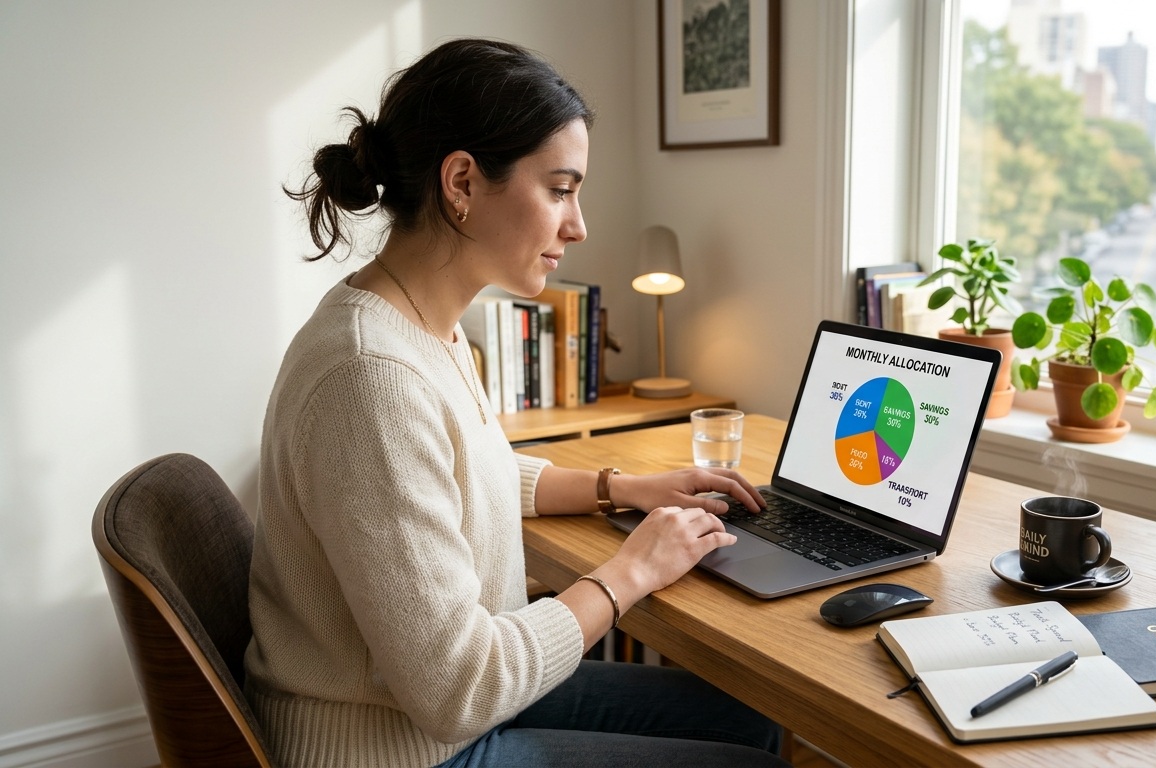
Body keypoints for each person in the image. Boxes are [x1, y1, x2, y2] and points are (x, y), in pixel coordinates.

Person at [244, 38, 789, 768]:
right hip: (397, 748)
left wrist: (620, 488)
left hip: (429, 719)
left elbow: (465, 474)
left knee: (745, 719)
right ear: (462, 182)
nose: (579, 224)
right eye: (560, 189)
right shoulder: (370, 378)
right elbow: (460, 688)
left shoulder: (420, 330)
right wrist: (632, 571)